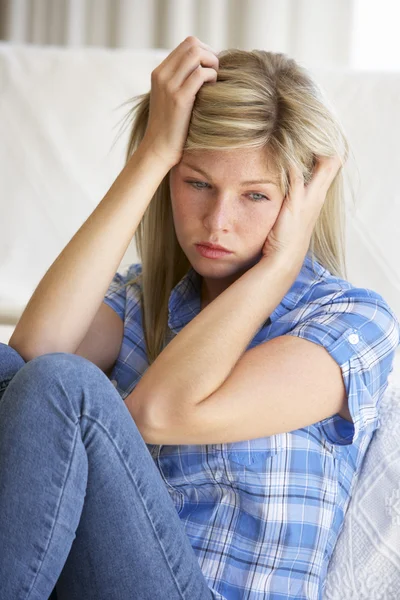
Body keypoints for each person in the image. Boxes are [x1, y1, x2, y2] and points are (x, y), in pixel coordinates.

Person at [0, 35, 399, 600]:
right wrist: (153, 154)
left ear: (301, 200)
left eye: (255, 196)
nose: (217, 222)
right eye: (197, 183)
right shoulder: (143, 299)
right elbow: (27, 360)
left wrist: (276, 269)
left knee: (66, 384)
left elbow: (159, 411)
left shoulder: (350, 322)